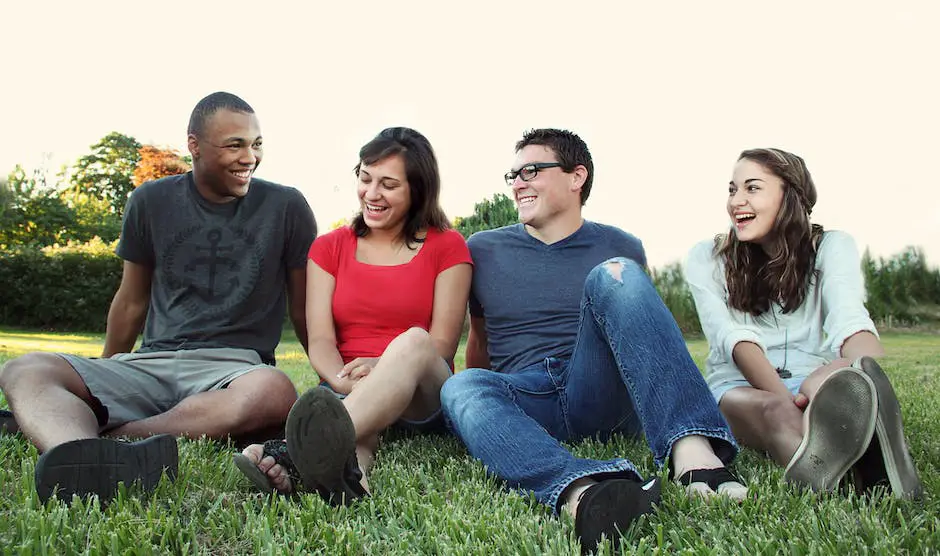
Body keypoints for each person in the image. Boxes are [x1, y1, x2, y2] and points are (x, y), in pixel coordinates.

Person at [439, 129, 746, 554]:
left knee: (614, 273)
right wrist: (484, 409)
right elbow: (481, 340)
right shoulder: (484, 248)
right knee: (461, 385)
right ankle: (581, 489)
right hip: (529, 396)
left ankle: (692, 455)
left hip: (597, 390)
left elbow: (638, 333)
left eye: (531, 170)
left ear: (576, 176)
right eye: (512, 174)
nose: (517, 183)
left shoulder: (622, 246)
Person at [0, 91, 317, 503]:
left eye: (256, 144)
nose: (250, 157)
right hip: (152, 362)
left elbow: (304, 308)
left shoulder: (286, 206)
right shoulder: (150, 200)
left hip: (235, 368)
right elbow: (131, 300)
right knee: (25, 369)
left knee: (276, 390)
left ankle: (108, 444)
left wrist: (332, 379)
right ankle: (74, 451)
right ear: (194, 145)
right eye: (234, 145)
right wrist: (101, 373)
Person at [234, 127, 472, 502]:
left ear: (418, 190)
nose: (371, 194)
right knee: (357, 438)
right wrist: (344, 382)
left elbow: (441, 343)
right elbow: (322, 340)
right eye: (365, 178)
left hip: (422, 394)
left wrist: (382, 365)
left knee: (413, 340)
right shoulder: (329, 248)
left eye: (389, 185)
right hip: (348, 387)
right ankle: (349, 480)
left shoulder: (448, 245)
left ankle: (291, 450)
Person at [684, 147, 921, 499]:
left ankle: (870, 438)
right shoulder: (708, 257)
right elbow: (732, 341)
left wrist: (864, 371)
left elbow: (849, 320)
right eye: (732, 190)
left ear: (790, 195)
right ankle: (852, 476)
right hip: (738, 385)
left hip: (812, 378)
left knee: (843, 375)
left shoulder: (832, 246)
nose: (736, 202)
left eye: (752, 188)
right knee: (775, 411)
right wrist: (793, 404)